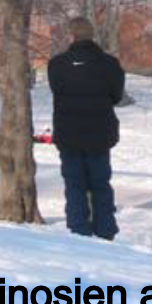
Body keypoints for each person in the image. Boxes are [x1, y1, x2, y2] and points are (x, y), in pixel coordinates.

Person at [47, 16, 125, 240]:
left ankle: (79, 229)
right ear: (92, 35)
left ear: (71, 36)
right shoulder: (109, 64)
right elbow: (116, 95)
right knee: (101, 183)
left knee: (74, 184)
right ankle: (105, 229)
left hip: (68, 134)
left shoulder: (57, 65)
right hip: (100, 134)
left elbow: (57, 91)